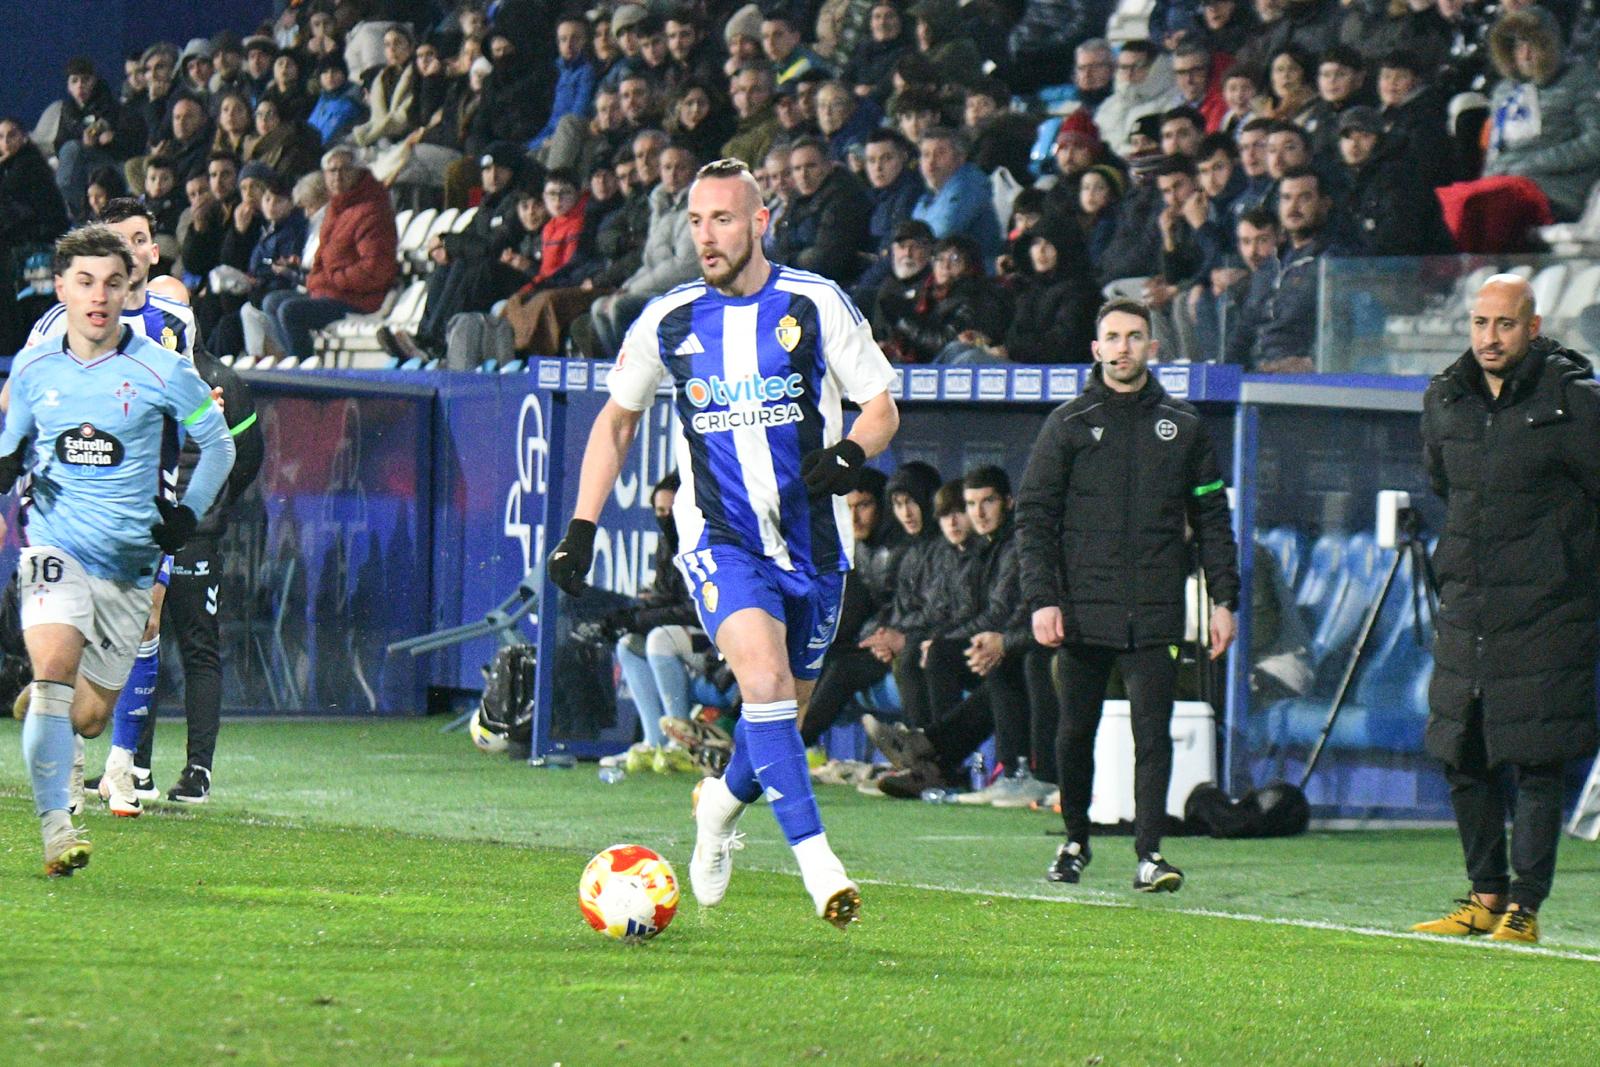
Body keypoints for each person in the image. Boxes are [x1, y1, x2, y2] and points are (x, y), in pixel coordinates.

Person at [545, 157, 899, 928]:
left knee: (779, 717)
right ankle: (820, 865)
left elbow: (881, 406)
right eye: (697, 221)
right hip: (720, 539)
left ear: (760, 221)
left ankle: (716, 811)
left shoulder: (814, 302)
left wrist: (848, 456)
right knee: (764, 684)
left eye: (724, 220)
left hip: (814, 547)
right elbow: (616, 420)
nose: (707, 236)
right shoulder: (668, 317)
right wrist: (582, 524)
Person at [1, 225, 234, 874]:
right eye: (84, 281)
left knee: (91, 713)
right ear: (61, 289)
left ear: (130, 285)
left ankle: (51, 704)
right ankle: (57, 828)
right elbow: (9, 441)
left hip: (131, 563)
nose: (99, 295)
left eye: (113, 281)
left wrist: (187, 515)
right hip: (53, 544)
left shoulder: (163, 367)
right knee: (52, 667)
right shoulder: (36, 361)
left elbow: (219, 443)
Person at [1017, 297, 1238, 893]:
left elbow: (1213, 518)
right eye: (1111, 337)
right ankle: (1074, 842)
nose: (1122, 348)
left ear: (1152, 347)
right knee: (1073, 734)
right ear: (1096, 349)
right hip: (1082, 611)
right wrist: (1043, 599)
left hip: (1156, 611)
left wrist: (1224, 600)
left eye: (1133, 336)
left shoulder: (1185, 426)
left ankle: (1150, 855)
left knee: (1153, 735)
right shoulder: (1066, 423)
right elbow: (1033, 518)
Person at [1411, 275, 1600, 945]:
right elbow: (1444, 483)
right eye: (1480, 323)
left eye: (1505, 324)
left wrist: (1567, 563)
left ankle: (1526, 905)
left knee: (1537, 754)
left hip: (1550, 606)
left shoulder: (1574, 403)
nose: (1490, 337)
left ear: (1534, 326)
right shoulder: (1445, 399)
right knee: (1462, 750)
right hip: (1469, 603)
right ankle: (1485, 895)